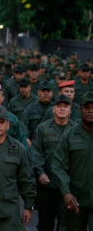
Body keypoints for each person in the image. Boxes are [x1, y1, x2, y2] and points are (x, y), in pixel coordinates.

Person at [31, 94, 75, 231]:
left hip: (69, 186)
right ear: (53, 109)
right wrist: (40, 173)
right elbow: (36, 152)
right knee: (45, 223)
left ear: (70, 110)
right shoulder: (43, 129)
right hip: (47, 185)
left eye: (65, 106)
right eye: (59, 106)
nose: (62, 109)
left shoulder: (77, 130)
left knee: (66, 224)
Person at [51, 91, 93, 231]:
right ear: (80, 109)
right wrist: (66, 192)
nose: (91, 111)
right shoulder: (70, 134)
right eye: (87, 107)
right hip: (76, 200)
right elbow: (58, 165)